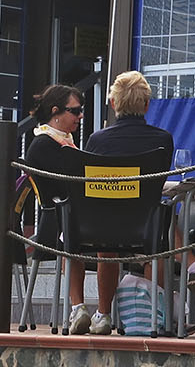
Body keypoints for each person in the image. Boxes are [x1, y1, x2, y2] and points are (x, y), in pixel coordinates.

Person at [75, 71, 175, 336]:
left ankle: (104, 314)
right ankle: (155, 316)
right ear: (146, 105)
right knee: (158, 246)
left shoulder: (97, 140)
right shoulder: (162, 141)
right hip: (145, 227)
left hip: (102, 229)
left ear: (114, 104)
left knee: (106, 246)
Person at [20, 84, 96, 332]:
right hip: (59, 221)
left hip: (78, 214)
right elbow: (69, 185)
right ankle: (80, 308)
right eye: (75, 111)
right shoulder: (43, 144)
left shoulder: (63, 142)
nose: (81, 116)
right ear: (56, 112)